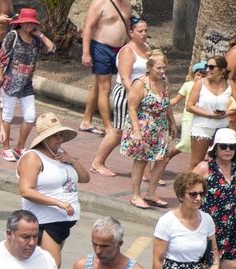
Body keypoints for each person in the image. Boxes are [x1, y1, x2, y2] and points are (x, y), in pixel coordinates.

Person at [18, 112, 89, 268]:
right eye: (55, 135)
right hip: (47, 220)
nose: (60, 139)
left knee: (39, 264)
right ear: (45, 138)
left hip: (62, 222)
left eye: (61, 135)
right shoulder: (33, 157)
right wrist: (58, 203)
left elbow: (84, 178)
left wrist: (72, 161)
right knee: (51, 265)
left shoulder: (61, 154)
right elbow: (26, 190)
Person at [89, 16, 150, 176]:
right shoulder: (127, 51)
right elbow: (124, 77)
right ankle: (98, 161)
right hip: (126, 94)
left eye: (145, 31)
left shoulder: (146, 48)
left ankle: (145, 171)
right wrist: (134, 95)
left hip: (142, 94)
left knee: (144, 130)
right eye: (140, 31)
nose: (144, 34)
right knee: (119, 130)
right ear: (131, 32)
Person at [79, 0, 133, 136]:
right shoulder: (100, 2)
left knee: (98, 85)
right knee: (105, 88)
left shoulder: (126, 3)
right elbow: (88, 27)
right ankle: (108, 125)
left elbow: (128, 28)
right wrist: (86, 52)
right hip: (101, 47)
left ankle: (86, 121)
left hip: (119, 49)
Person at [0, 8, 54, 160]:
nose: (28, 25)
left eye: (31, 23)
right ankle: (6, 148)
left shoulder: (35, 40)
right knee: (7, 116)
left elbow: (51, 48)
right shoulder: (12, 36)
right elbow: (1, 57)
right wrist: (0, 76)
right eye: (26, 22)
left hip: (27, 83)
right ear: (20, 23)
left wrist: (39, 34)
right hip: (10, 82)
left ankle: (20, 147)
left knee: (30, 116)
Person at [121, 51, 175, 209]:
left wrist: (172, 122)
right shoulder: (140, 83)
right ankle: (136, 195)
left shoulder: (163, 81)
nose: (162, 71)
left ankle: (151, 192)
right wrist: (136, 131)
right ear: (150, 67)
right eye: (159, 68)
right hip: (144, 125)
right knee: (141, 161)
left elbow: (167, 102)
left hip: (160, 126)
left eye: (164, 68)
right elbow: (132, 108)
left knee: (162, 159)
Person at [195, 126, 236, 269]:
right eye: (223, 146)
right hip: (209, 227)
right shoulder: (205, 168)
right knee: (207, 267)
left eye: (232, 147)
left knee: (231, 264)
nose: (228, 150)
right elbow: (185, 190)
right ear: (216, 148)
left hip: (231, 227)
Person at [185, 54, 231, 167]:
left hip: (222, 127)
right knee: (196, 162)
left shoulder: (230, 85)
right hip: (202, 127)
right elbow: (189, 106)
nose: (207, 70)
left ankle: (213, 184)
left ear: (222, 70)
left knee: (221, 163)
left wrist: (227, 113)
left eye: (211, 67)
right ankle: (188, 184)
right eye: (207, 66)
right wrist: (209, 115)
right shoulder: (200, 83)